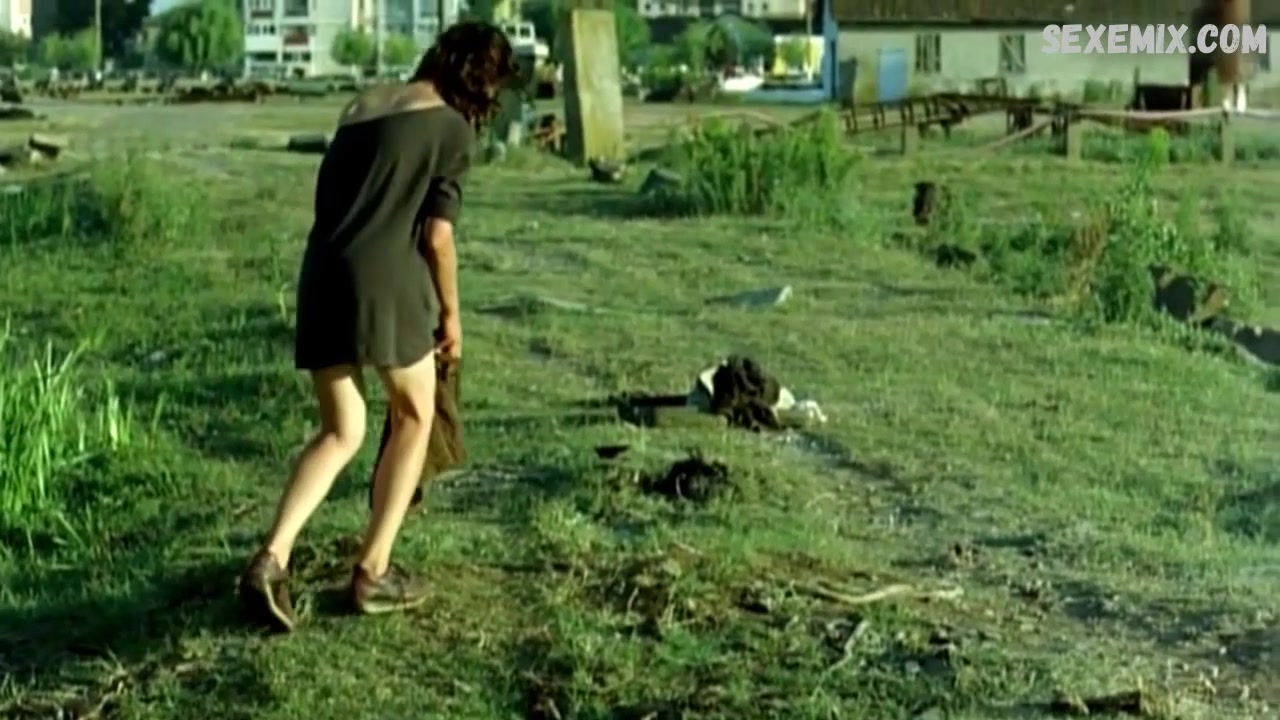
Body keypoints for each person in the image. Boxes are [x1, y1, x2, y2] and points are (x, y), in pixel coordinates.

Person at [237, 22, 518, 632]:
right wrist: (452, 315)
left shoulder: (362, 105)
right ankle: (374, 571)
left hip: (322, 275)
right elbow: (437, 237)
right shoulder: (452, 128)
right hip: (387, 282)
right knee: (416, 414)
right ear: (483, 81)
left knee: (342, 430)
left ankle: (271, 559)